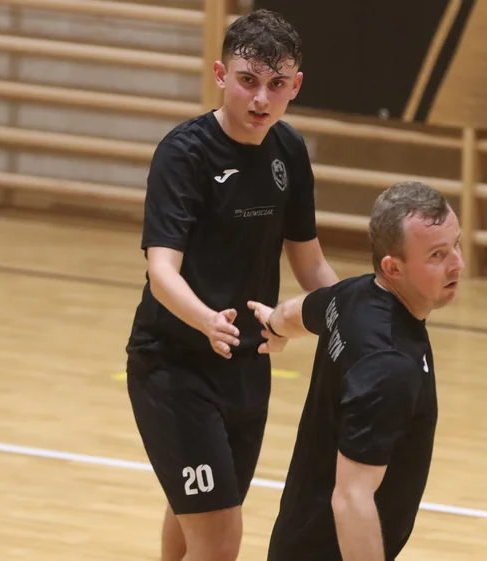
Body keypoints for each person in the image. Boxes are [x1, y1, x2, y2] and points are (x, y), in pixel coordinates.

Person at [123, 8, 338, 561]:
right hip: (174, 367)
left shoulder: (288, 150)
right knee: (219, 538)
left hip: (246, 367)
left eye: (276, 85)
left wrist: (349, 323)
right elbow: (162, 271)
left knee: (195, 515)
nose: (261, 100)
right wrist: (207, 321)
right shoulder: (184, 154)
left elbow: (310, 264)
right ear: (221, 75)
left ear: (296, 86)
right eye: (247, 81)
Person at [247, 181, 465, 561]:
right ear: (393, 268)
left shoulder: (356, 294)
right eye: (437, 254)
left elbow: (297, 311)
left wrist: (275, 328)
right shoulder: (388, 366)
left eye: (456, 245)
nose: (457, 263)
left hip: (299, 539)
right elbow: (351, 498)